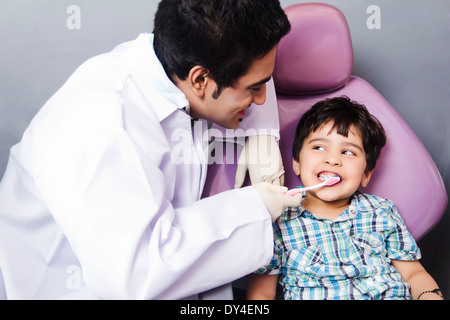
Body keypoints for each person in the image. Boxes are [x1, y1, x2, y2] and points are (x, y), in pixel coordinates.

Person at [0, 0, 302, 299]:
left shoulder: (174, 66)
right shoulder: (103, 127)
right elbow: (136, 276)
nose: (262, 98)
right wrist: (254, 207)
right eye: (254, 88)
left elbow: (243, 73)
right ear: (199, 79)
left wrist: (262, 134)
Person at [247, 96, 443, 300]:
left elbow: (413, 273)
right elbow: (261, 293)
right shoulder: (279, 219)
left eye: (348, 152)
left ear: (366, 174)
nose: (332, 159)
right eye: (319, 147)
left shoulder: (382, 211)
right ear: (296, 163)